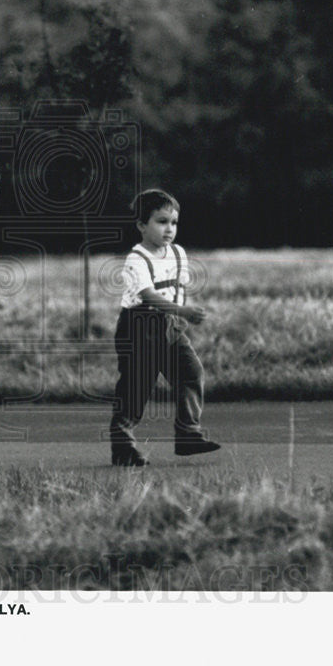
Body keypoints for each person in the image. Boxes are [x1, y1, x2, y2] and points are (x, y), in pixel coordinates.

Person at [110, 189, 221, 466]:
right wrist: (181, 310)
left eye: (173, 222)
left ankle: (187, 433)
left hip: (169, 325)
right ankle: (122, 444)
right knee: (137, 386)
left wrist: (179, 317)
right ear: (141, 226)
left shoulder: (178, 253)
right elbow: (148, 295)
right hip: (139, 326)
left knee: (191, 372)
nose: (169, 229)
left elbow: (178, 288)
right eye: (161, 222)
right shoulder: (136, 259)